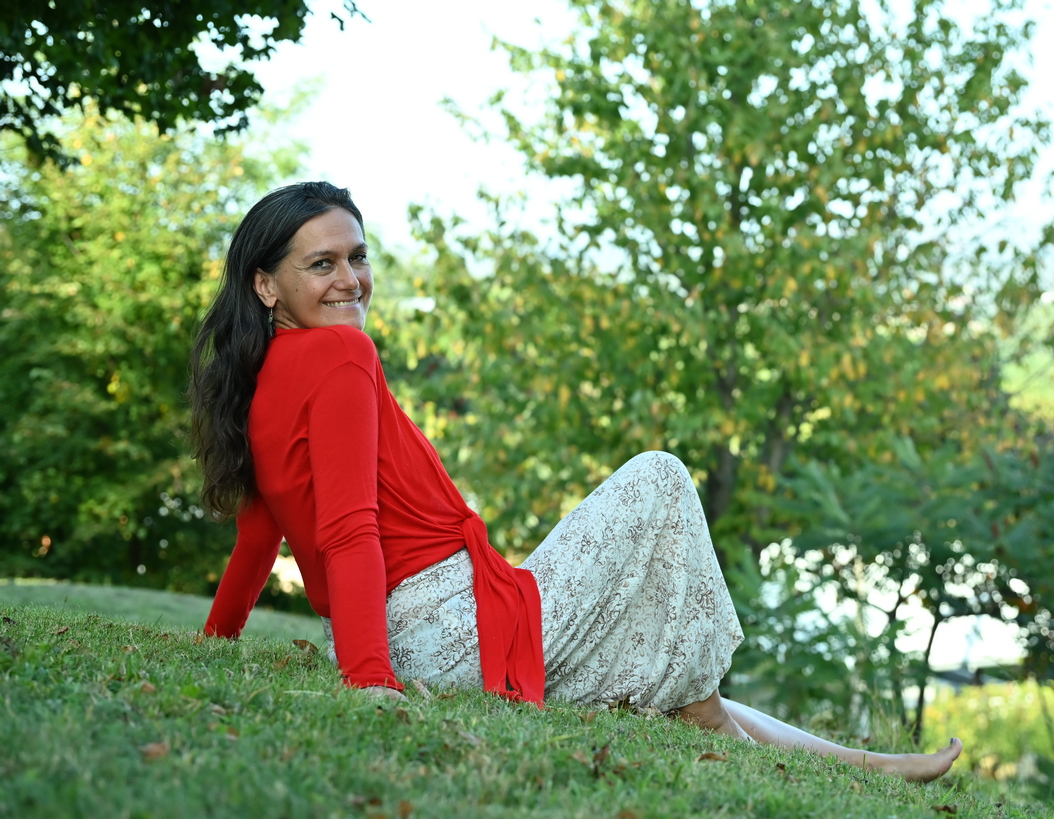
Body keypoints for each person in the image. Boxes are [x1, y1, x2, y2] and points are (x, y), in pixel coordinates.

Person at [191, 181, 962, 782]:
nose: (351, 280)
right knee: (660, 477)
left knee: (664, 666)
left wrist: (215, 641)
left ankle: (871, 764)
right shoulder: (342, 355)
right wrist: (369, 680)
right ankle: (715, 713)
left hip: (433, 625)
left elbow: (259, 534)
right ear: (266, 286)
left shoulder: (261, 384)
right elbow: (348, 527)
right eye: (321, 264)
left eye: (357, 257)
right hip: (442, 629)